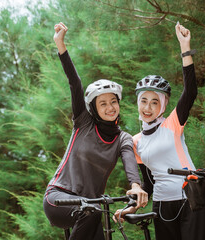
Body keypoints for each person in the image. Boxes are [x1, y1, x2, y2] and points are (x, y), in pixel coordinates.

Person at [43, 22, 148, 240]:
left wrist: (136, 186)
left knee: (96, 220)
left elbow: (130, 165)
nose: (110, 107)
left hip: (90, 206)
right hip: (58, 197)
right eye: (103, 104)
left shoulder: (123, 138)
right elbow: (75, 83)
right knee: (91, 212)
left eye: (113, 102)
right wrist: (60, 44)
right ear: (93, 108)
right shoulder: (84, 122)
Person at [114, 22, 205, 240]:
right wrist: (131, 208)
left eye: (154, 103)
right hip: (161, 206)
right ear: (138, 103)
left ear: (163, 106)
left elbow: (190, 91)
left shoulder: (173, 124)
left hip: (191, 200)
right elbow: (147, 184)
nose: (148, 108)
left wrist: (185, 47)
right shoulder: (135, 141)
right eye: (144, 101)